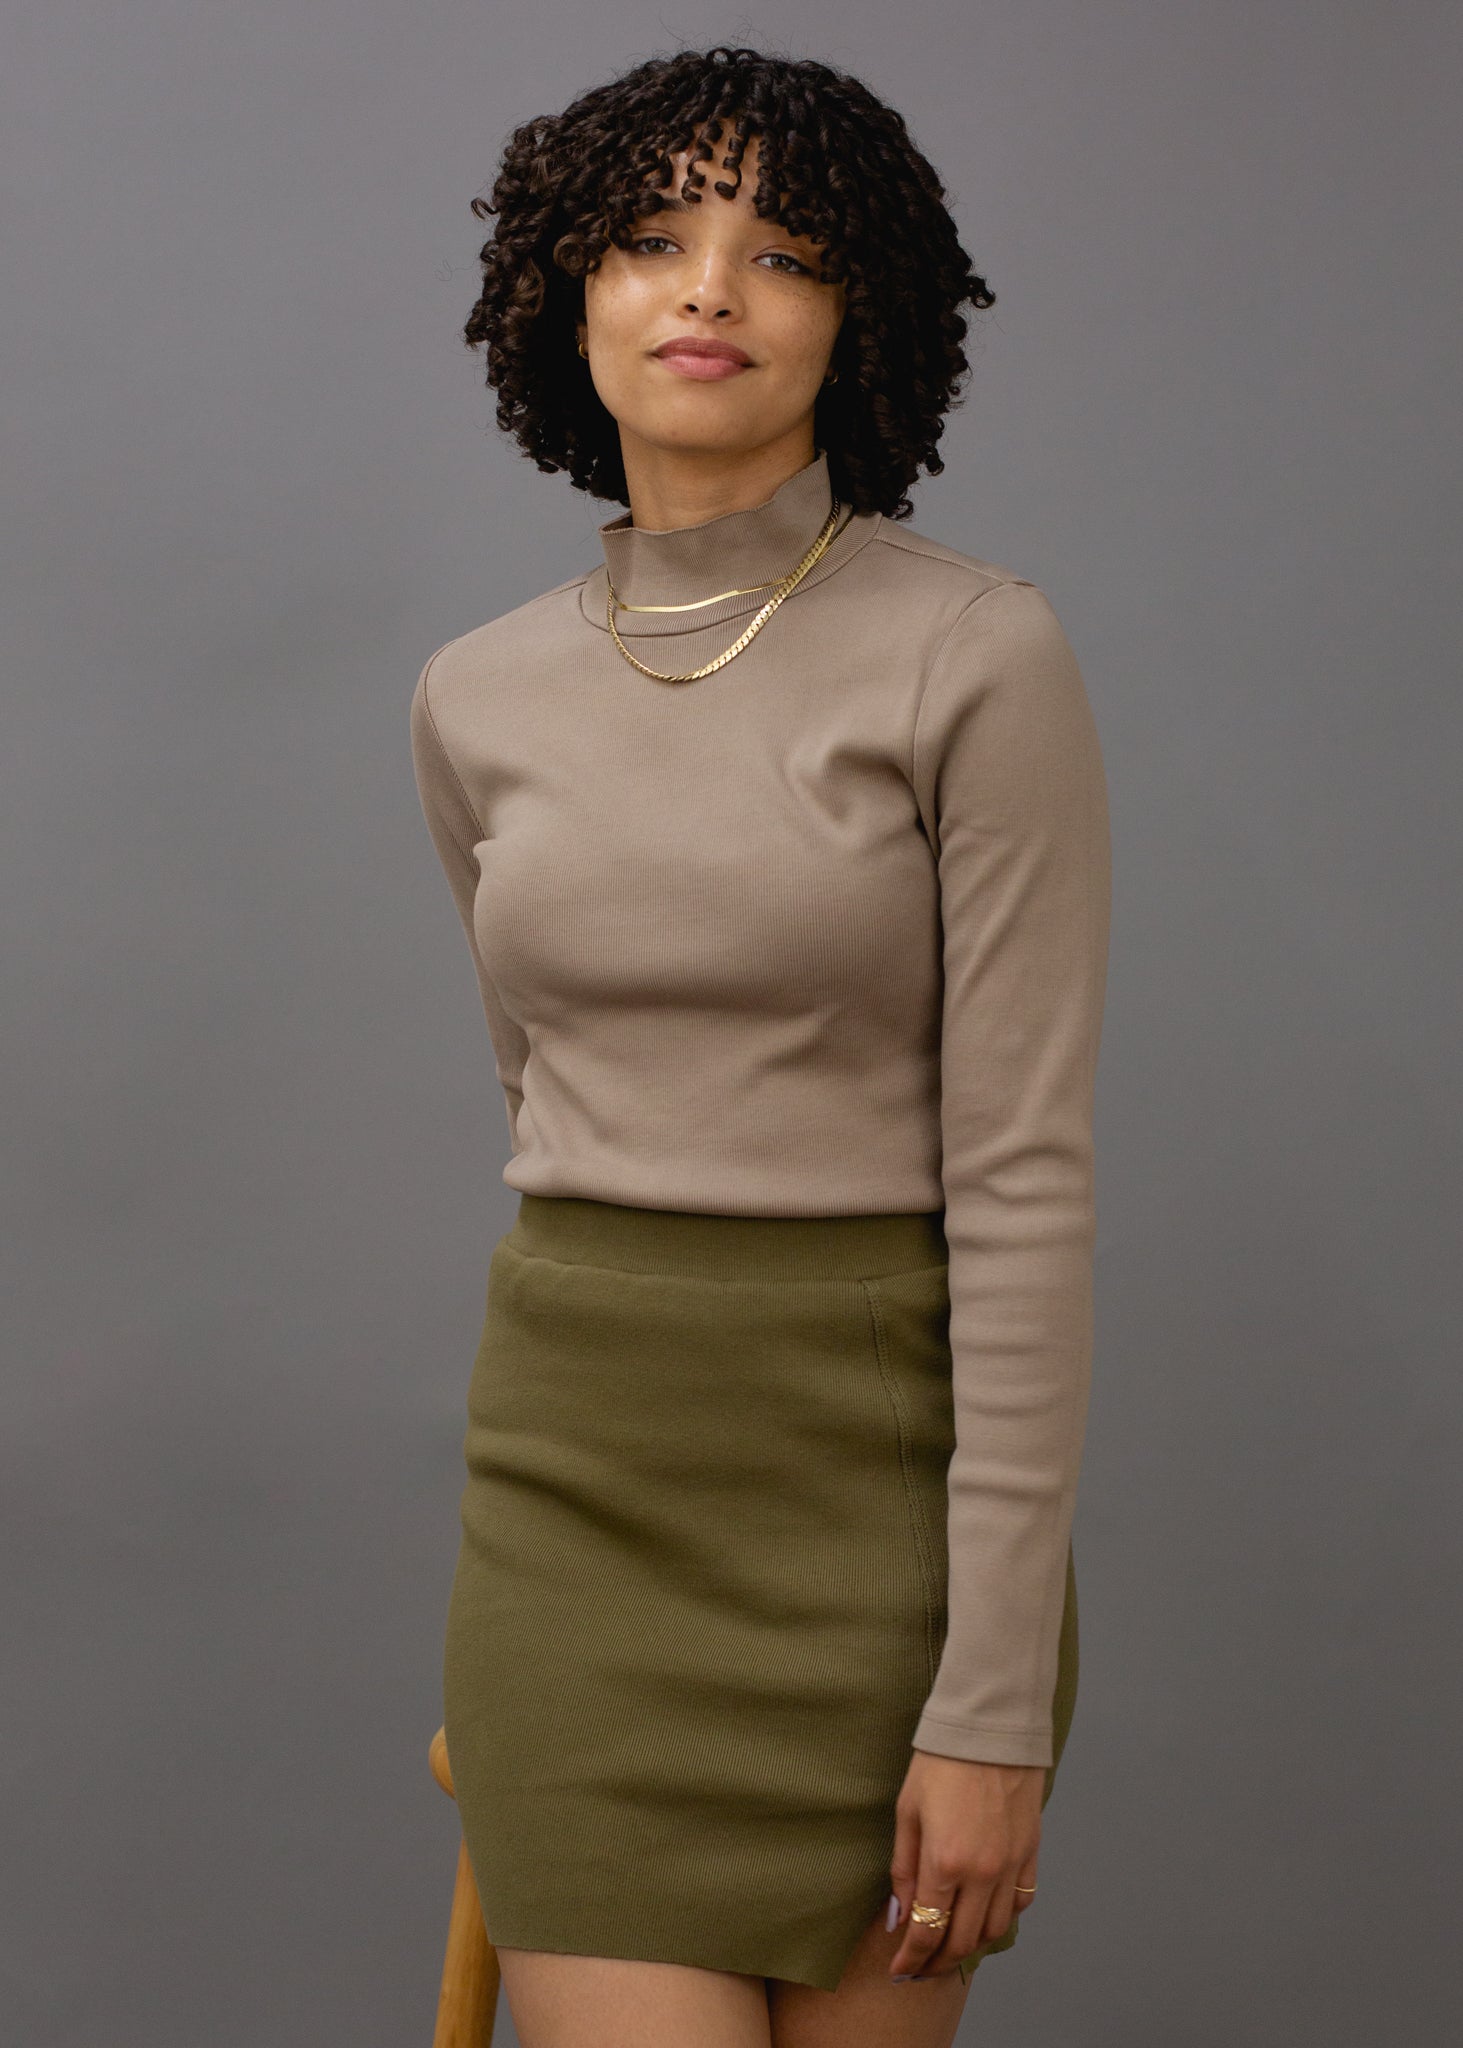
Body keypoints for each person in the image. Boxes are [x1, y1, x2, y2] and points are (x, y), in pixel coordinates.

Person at [409, 44, 1111, 2048]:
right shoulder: (474, 697)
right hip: (575, 1516)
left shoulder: (977, 652)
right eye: (651, 237)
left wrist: (986, 1707)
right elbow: (551, 1105)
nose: (707, 286)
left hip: (882, 1542)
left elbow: (1028, 1186)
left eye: (779, 250)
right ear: (569, 287)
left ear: (853, 314)